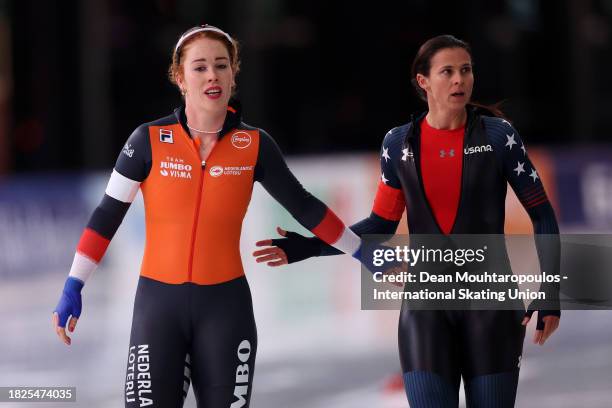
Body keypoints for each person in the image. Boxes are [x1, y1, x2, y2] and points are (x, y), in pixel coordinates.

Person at [52, 24, 362, 408]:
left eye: (221, 65)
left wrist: (363, 253)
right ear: (180, 79)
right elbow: (106, 215)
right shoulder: (146, 140)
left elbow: (306, 207)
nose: (212, 75)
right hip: (157, 309)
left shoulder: (255, 146)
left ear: (233, 74)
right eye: (200, 67)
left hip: (225, 311)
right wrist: (73, 284)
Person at [253, 35, 560, 407]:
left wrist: (549, 294)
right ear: (423, 81)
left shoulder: (498, 136)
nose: (460, 80)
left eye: (466, 71)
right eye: (447, 71)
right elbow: (379, 226)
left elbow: (541, 214)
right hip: (425, 309)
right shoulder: (399, 144)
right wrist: (310, 247)